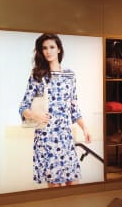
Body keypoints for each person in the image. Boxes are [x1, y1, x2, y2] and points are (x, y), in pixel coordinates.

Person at [19, 33, 91, 188]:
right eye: (44, 48)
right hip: (46, 137)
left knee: (73, 183)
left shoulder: (69, 76)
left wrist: (85, 128)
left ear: (59, 49)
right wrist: (35, 115)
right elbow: (23, 107)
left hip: (65, 137)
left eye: (52, 47)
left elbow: (74, 108)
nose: (48, 51)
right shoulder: (37, 76)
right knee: (54, 187)